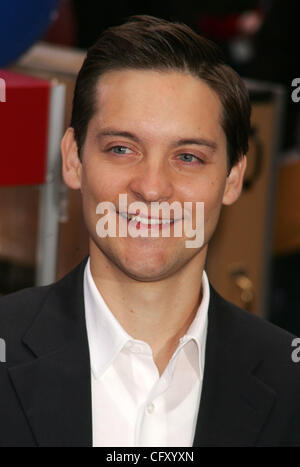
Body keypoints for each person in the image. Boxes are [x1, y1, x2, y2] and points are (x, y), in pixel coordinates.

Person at [1, 15, 300, 448]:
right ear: (73, 159)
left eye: (189, 157)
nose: (152, 187)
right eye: (122, 149)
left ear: (234, 178)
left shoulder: (289, 384)